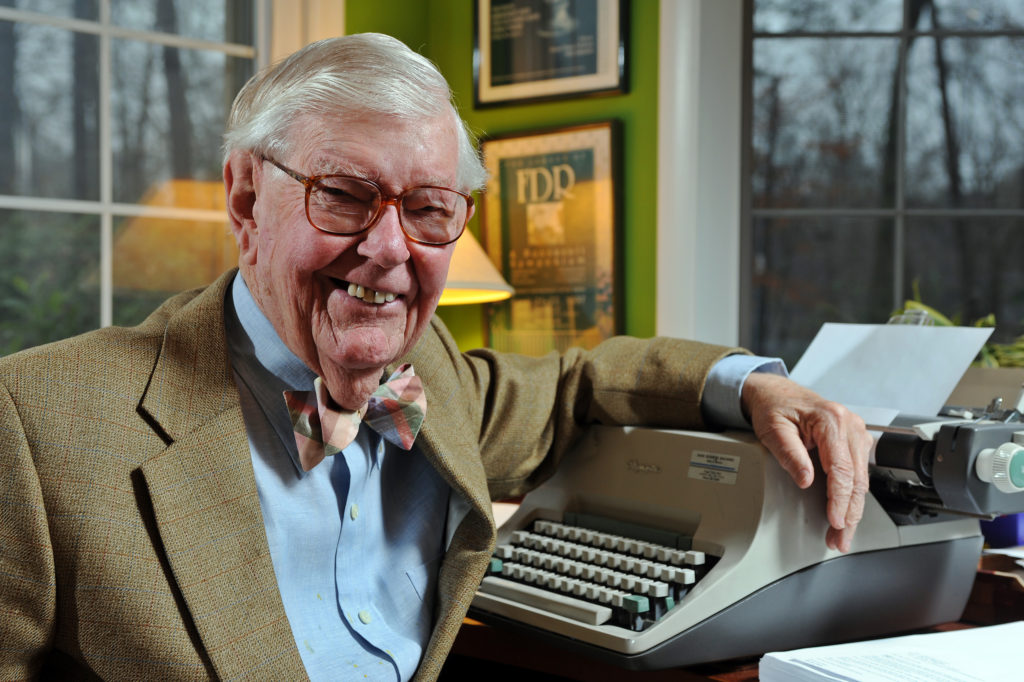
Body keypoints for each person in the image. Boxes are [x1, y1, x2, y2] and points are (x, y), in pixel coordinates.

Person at [0, 33, 871, 681]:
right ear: (244, 197)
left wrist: (751, 384)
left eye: (428, 209)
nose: (389, 249)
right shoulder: (38, 424)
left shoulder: (438, 374)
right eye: (343, 195)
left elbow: (576, 387)